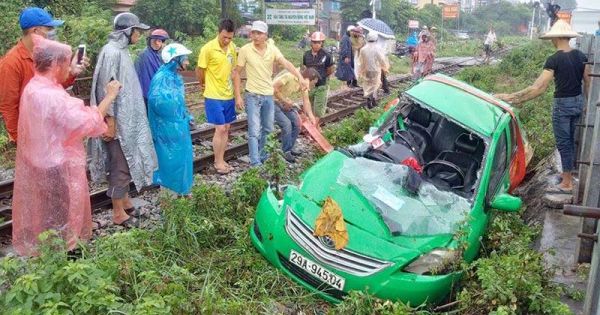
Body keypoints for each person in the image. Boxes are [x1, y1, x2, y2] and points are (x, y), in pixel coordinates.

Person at [12, 35, 121, 256]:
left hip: (38, 161)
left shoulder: (34, 86)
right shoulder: (53, 96)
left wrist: (70, 71)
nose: (68, 67)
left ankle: (48, 252)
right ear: (55, 63)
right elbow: (88, 121)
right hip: (56, 166)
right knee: (62, 215)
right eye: (66, 62)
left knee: (45, 213)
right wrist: (110, 96)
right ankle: (67, 255)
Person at [496, 20, 590, 193]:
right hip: (577, 103)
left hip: (562, 106)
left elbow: (538, 88)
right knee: (570, 140)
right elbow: (588, 83)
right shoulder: (581, 56)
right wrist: (586, 106)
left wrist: (511, 98)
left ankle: (567, 182)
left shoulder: (554, 59)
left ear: (558, 37)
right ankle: (567, 175)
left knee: (564, 142)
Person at [88, 12, 158, 226]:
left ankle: (126, 201)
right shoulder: (112, 53)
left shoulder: (122, 51)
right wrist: (109, 121)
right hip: (117, 123)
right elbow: (104, 90)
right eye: (137, 30)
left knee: (126, 163)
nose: (139, 34)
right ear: (127, 32)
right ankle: (118, 213)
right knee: (119, 164)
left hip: (127, 121)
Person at [0, 7, 89, 144]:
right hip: (30, 136)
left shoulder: (46, 55)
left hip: (51, 131)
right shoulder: (11, 62)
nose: (53, 33)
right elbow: (8, 106)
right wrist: (21, 139)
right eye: (48, 29)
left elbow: (54, 86)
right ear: (35, 31)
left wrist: (71, 72)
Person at [233, 20, 308, 167]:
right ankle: (255, 161)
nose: (255, 36)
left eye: (259, 33)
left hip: (268, 95)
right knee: (254, 130)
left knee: (267, 128)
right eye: (253, 33)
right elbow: (236, 73)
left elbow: (286, 63)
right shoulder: (245, 50)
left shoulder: (272, 49)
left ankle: (263, 155)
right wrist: (238, 95)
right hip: (252, 95)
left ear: (265, 35)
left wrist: (300, 77)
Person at [147, 43, 194, 196]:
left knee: (181, 158)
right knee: (169, 160)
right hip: (167, 129)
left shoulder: (173, 76)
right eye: (185, 59)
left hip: (176, 127)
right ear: (176, 60)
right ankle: (169, 198)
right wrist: (176, 111)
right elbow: (157, 102)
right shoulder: (162, 78)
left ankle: (182, 190)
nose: (187, 62)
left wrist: (185, 115)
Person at [197, 19, 238, 174]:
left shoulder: (232, 48)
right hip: (213, 94)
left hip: (228, 94)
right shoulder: (207, 49)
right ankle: (217, 161)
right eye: (224, 37)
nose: (226, 40)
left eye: (230, 38)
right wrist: (203, 84)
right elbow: (200, 70)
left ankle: (221, 158)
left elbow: (233, 70)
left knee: (226, 128)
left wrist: (236, 93)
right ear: (219, 32)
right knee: (220, 128)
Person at [273, 67, 319, 163]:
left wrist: (311, 117)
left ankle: (289, 147)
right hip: (271, 101)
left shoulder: (303, 85)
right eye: (313, 83)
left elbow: (306, 102)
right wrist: (285, 100)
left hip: (284, 102)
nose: (312, 86)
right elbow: (273, 88)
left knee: (297, 124)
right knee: (287, 124)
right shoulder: (289, 77)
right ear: (307, 79)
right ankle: (286, 151)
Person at [303, 31, 334, 127]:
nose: (316, 45)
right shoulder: (306, 55)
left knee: (318, 110)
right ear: (311, 43)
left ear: (322, 43)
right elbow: (304, 68)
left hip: (321, 85)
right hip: (309, 86)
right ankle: (313, 128)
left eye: (319, 42)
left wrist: (322, 76)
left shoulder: (327, 55)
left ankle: (314, 129)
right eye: (314, 42)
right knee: (309, 108)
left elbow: (330, 70)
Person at [135, 28, 169, 104]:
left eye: (161, 41)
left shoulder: (158, 55)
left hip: (154, 92)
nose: (159, 44)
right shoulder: (144, 55)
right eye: (158, 41)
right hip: (147, 92)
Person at [357, 32, 389, 109]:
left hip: (366, 70)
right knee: (376, 84)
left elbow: (360, 61)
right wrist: (385, 67)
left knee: (367, 84)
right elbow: (381, 59)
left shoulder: (363, 49)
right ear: (376, 39)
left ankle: (368, 96)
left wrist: (360, 70)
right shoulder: (377, 48)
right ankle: (373, 100)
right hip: (375, 70)